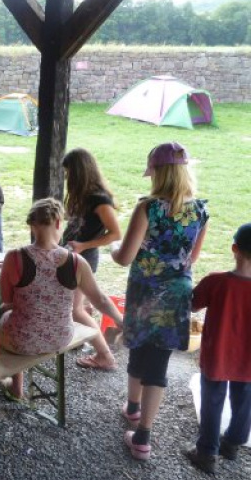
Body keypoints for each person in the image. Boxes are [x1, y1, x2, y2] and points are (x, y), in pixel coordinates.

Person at [111, 142, 208, 461]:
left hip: (144, 292)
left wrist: (112, 250)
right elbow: (191, 258)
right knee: (159, 363)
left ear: (157, 173)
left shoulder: (148, 208)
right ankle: (142, 432)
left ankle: (134, 411)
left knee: (138, 346)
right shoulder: (200, 211)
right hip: (177, 294)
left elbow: (124, 258)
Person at [0, 198, 123, 400]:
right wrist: (120, 320)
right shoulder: (76, 262)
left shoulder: (14, 257)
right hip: (60, 337)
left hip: (21, 341)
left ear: (31, 225)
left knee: (7, 318)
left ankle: (16, 386)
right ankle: (17, 385)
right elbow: (100, 299)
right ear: (58, 222)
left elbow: (7, 300)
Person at [184, 223, 251, 474]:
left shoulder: (216, 281)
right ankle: (233, 443)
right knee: (245, 400)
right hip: (248, 360)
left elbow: (192, 305)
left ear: (234, 249)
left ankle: (206, 453)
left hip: (218, 355)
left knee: (212, 400)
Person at [61, 148, 121, 371]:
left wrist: (83, 245)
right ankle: (88, 335)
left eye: (69, 173)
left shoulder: (100, 200)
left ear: (79, 172)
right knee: (87, 303)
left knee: (75, 309)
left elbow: (115, 234)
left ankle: (105, 356)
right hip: (73, 255)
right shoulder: (83, 195)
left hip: (84, 258)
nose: (67, 177)